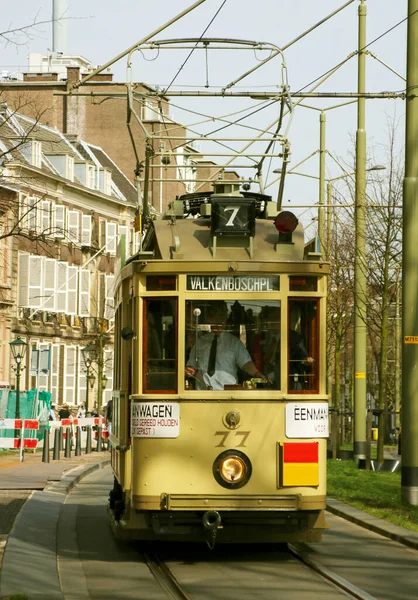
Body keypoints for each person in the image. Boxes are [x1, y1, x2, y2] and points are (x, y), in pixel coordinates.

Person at [185, 301, 266, 390]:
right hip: (203, 394)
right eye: (214, 318)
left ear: (225, 319)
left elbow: (245, 362)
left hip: (227, 394)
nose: (218, 322)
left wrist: (256, 373)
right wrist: (189, 371)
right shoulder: (200, 343)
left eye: (221, 318)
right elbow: (191, 367)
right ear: (209, 319)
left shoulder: (234, 342)